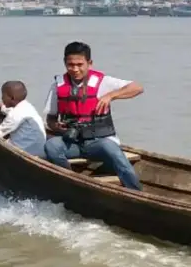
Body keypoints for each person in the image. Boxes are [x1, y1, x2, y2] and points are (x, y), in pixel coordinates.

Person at [43, 41, 144, 191]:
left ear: (89, 63)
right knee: (51, 146)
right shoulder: (58, 86)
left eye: (80, 64)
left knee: (113, 150)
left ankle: (135, 192)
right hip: (73, 143)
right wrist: (55, 126)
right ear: (65, 63)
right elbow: (50, 118)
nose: (75, 69)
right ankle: (72, 183)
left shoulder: (103, 82)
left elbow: (137, 87)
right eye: (70, 65)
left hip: (99, 142)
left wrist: (111, 95)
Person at [0, 80, 47, 158]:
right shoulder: (27, 106)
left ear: (12, 98)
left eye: (3, 96)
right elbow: (15, 113)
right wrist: (2, 107)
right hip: (39, 150)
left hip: (27, 152)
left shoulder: (15, 114)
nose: (1, 98)